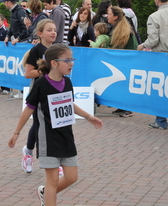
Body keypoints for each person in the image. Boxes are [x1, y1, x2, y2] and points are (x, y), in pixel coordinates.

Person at [8, 43, 103, 206]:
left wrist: (88, 116)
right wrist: (16, 133)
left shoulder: (67, 82)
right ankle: (49, 196)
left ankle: (45, 193)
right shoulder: (41, 84)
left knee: (72, 177)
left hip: (66, 136)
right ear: (54, 63)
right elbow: (29, 109)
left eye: (72, 59)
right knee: (52, 181)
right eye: (67, 60)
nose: (71, 63)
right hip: (47, 138)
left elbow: (69, 104)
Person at [138, 0, 168, 130]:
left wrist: (142, 45)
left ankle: (161, 121)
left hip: (161, 55)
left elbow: (153, 40)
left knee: (159, 89)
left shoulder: (154, 16)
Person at [21, 19, 58, 174]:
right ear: (40, 33)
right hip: (39, 91)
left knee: (55, 125)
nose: (53, 32)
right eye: (49, 30)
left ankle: (57, 161)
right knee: (38, 124)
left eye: (55, 29)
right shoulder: (36, 51)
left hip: (55, 90)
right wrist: (46, 71)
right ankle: (28, 153)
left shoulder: (58, 50)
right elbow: (28, 73)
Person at [107, 6, 138, 118]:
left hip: (126, 62)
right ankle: (121, 106)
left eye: (109, 14)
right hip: (122, 61)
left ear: (115, 17)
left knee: (125, 84)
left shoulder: (125, 31)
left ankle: (127, 108)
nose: (107, 16)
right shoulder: (116, 29)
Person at [0, 14, 11, 94]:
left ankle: (6, 89)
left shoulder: (5, 30)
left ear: (3, 21)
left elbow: (7, 41)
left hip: (4, 53)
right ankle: (1, 86)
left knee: (5, 70)